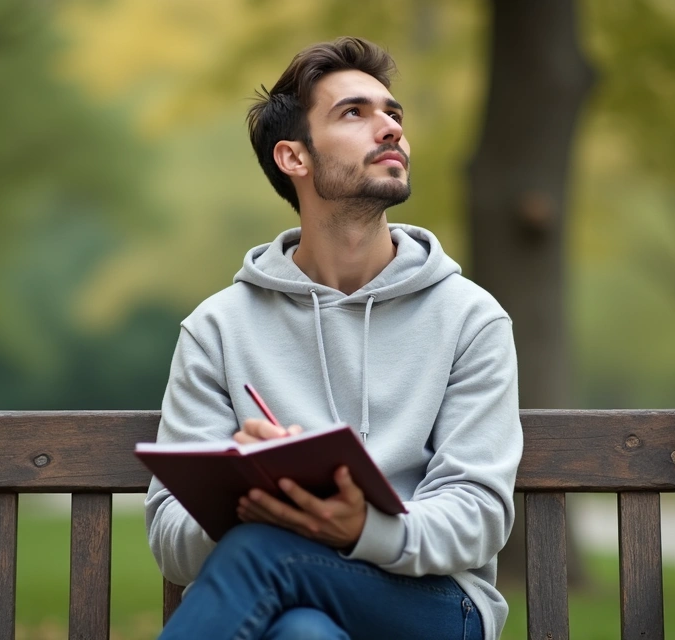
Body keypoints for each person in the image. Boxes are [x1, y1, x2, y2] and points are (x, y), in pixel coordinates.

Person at [145, 36, 522, 640]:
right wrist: (242, 495)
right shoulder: (217, 329)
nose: (390, 128)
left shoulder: (470, 317)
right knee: (302, 633)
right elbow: (170, 541)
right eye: (355, 112)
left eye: (392, 113)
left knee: (268, 552)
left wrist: (358, 529)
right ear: (294, 158)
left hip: (432, 606)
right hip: (284, 603)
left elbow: (478, 514)